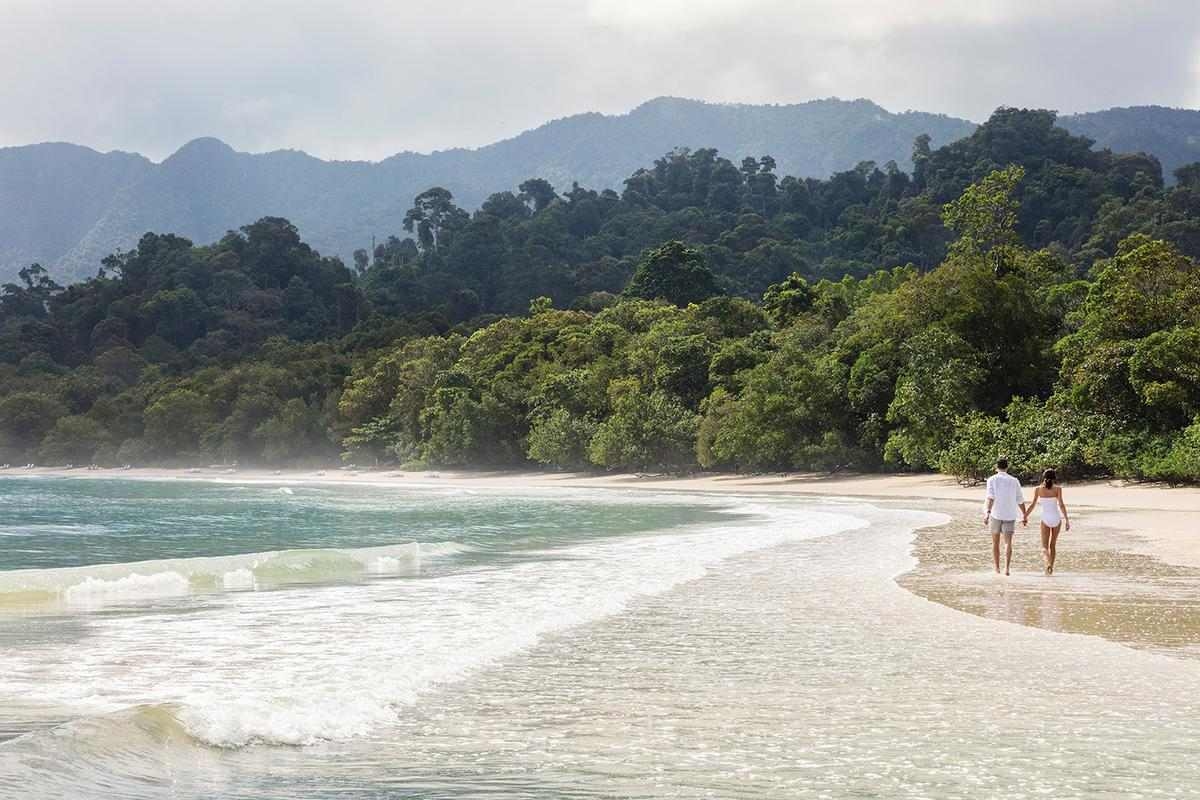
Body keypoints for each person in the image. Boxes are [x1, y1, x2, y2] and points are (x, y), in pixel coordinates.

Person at [983, 457, 1027, 575]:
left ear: (996, 467)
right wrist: (1024, 514)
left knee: (995, 543)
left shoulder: (992, 479)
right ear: (1007, 467)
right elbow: (1020, 500)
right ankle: (1007, 569)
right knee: (1008, 543)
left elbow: (990, 497)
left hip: (995, 514)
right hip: (1009, 514)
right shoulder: (1014, 480)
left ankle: (997, 569)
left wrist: (987, 513)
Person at [1024, 468, 1070, 575]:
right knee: (1052, 545)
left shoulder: (1038, 489)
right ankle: (1051, 568)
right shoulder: (1058, 489)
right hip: (1056, 518)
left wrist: (1025, 516)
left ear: (1043, 477)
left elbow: (1032, 505)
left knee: (1044, 547)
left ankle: (1048, 564)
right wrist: (1067, 519)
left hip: (1045, 518)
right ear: (1054, 478)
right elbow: (1061, 505)